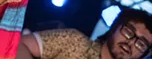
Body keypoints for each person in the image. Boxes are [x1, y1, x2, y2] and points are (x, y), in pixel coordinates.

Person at [17, 8, 152, 59]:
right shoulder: (75, 41)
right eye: (129, 32)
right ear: (114, 28)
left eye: (141, 44)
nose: (131, 42)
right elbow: (19, 45)